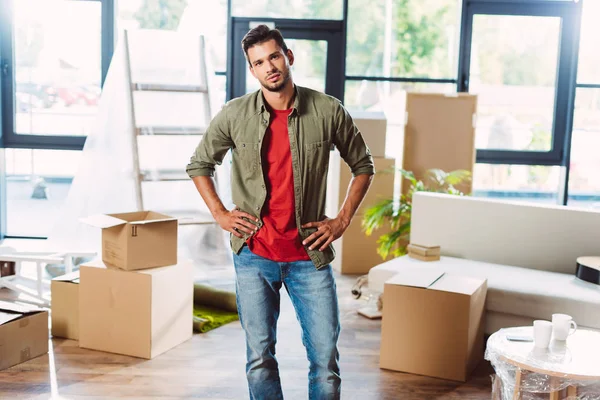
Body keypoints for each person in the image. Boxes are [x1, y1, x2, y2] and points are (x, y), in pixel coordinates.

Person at [186, 24, 374, 400]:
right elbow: (200, 164)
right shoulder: (235, 114)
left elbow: (363, 166)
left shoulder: (327, 109)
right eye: (259, 62)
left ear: (288, 57)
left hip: (309, 256)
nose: (269, 66)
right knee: (259, 358)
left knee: (325, 362)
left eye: (274, 56)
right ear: (252, 70)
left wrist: (340, 221)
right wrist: (221, 214)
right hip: (254, 255)